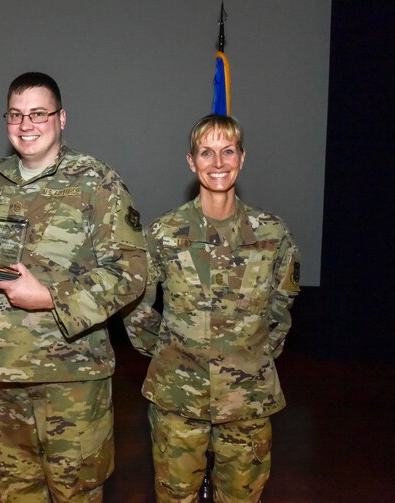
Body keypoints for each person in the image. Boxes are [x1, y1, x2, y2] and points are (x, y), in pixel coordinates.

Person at [0, 72, 147, 502]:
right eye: (16, 115)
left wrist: (50, 297)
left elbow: (132, 270)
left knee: (76, 493)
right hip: (5, 379)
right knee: (15, 492)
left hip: (72, 380)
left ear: (61, 118)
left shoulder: (96, 181)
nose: (26, 125)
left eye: (39, 114)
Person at [124, 114, 300, 502]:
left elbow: (281, 307)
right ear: (191, 161)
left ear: (242, 157)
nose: (218, 163)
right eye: (206, 152)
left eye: (227, 151)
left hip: (247, 402)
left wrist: (252, 357)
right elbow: (137, 307)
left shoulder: (272, 234)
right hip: (178, 400)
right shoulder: (164, 233)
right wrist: (169, 354)